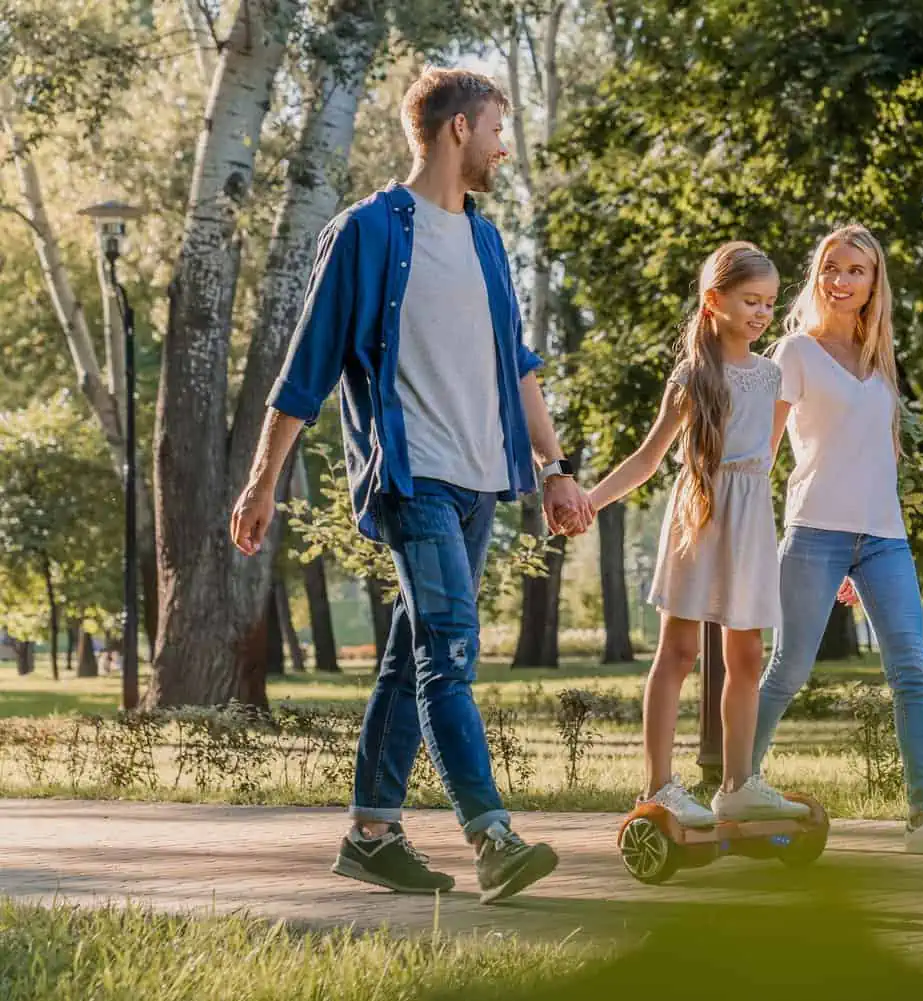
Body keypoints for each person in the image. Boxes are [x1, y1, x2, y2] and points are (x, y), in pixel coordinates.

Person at [229, 67, 593, 903]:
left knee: (409, 658)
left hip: (477, 484)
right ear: (459, 129)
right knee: (450, 655)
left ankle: (371, 833)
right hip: (412, 476)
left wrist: (553, 468)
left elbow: (519, 366)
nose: (505, 145)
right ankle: (490, 835)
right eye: (499, 128)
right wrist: (261, 485)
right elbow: (306, 369)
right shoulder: (368, 231)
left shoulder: (489, 241)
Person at [752, 225, 923, 854]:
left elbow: (881, 458)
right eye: (831, 267)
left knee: (913, 672)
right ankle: (736, 785)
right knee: (787, 671)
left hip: (884, 539)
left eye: (855, 270)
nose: (841, 280)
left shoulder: (880, 361)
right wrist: (753, 532)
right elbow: (767, 453)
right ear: (818, 275)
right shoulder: (794, 354)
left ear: (873, 282)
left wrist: (865, 559)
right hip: (813, 533)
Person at [588, 242, 809, 827]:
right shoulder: (693, 376)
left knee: (747, 653)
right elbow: (646, 458)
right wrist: (589, 501)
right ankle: (659, 785)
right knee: (678, 652)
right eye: (750, 301)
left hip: (752, 520)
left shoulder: (772, 374)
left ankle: (739, 785)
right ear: (715, 301)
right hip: (699, 518)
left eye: (768, 302)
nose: (762, 313)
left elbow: (776, 450)